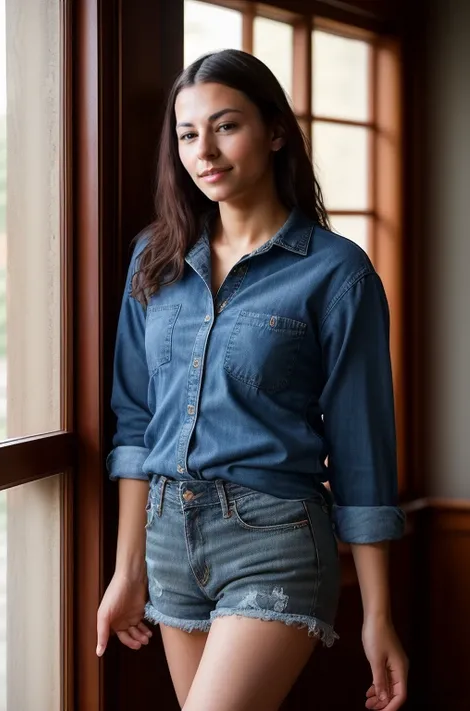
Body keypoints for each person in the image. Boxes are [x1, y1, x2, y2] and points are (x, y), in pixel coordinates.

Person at [96, 48, 409, 711]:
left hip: (274, 537)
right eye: (187, 134)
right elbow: (132, 423)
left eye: (226, 125)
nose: (204, 149)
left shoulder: (337, 273)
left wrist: (377, 613)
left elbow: (363, 451)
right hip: (167, 540)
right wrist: (127, 571)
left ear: (273, 131)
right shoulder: (153, 261)